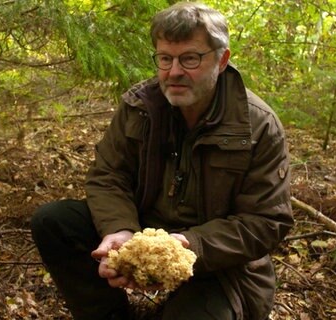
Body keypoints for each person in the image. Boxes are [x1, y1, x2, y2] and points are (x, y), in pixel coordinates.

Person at [31, 2, 294, 320]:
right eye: (165, 59)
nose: (174, 72)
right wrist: (120, 230)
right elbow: (108, 176)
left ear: (222, 60)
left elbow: (266, 222)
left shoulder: (257, 125)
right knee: (55, 221)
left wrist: (190, 244)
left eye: (190, 59)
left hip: (220, 264)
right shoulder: (140, 106)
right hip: (146, 228)